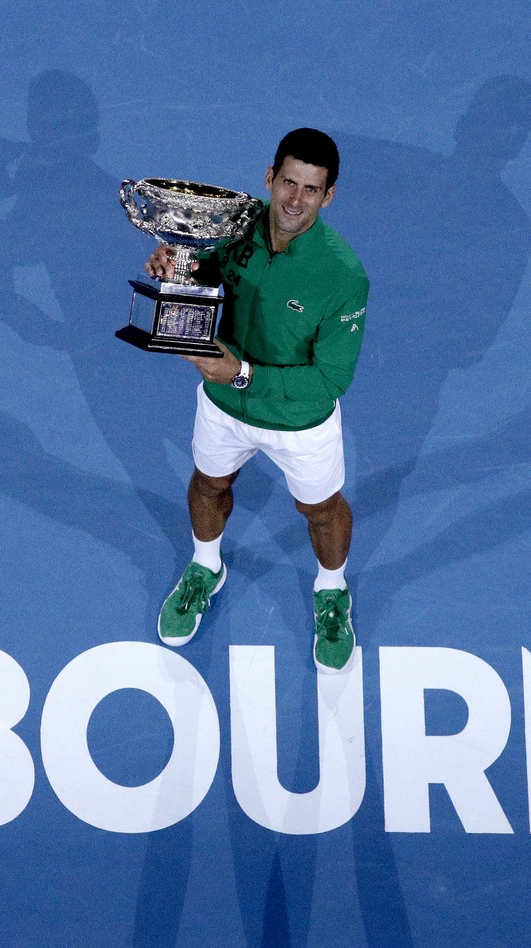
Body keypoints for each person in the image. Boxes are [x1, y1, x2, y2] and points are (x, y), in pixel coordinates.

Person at [144, 128, 369, 673]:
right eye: (287, 183)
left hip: (299, 420)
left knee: (320, 511)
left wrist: (243, 373)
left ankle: (332, 590)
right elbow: (207, 271)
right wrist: (178, 265)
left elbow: (330, 381)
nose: (294, 200)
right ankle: (205, 567)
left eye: (311, 190)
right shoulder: (232, 227)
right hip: (224, 405)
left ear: (329, 195)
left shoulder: (344, 275)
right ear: (269, 178)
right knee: (208, 484)